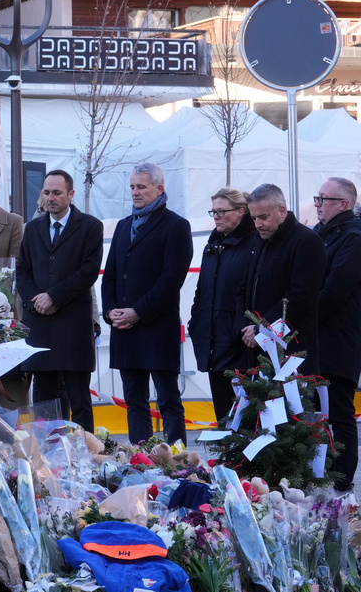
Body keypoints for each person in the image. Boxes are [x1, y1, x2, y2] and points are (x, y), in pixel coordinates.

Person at [102, 163, 193, 445]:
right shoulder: (123, 226)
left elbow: (171, 279)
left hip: (156, 327)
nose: (135, 192)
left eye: (141, 186)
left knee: (168, 399)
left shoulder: (176, 225)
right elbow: (111, 274)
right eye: (132, 186)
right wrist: (111, 312)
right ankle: (141, 460)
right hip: (125, 330)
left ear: (159, 189)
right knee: (135, 402)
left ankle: (178, 462)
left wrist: (138, 312)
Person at [17, 170, 103, 431]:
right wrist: (36, 301)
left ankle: (87, 456)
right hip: (40, 324)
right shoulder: (32, 229)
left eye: (57, 192)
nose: (50, 198)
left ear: (70, 194)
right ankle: (47, 457)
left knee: (78, 398)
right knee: (44, 398)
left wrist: (53, 297)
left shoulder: (90, 226)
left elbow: (88, 271)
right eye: (46, 192)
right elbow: (22, 271)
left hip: (73, 324)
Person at [237, 184, 325, 377]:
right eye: (253, 218)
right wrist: (246, 328)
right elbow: (244, 288)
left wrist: (261, 327)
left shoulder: (306, 241)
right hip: (257, 349)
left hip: (292, 353)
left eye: (263, 217)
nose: (257, 224)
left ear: (282, 211)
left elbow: (299, 296)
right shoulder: (259, 240)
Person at [188, 188, 258, 422]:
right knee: (223, 416)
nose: (216, 216)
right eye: (213, 211)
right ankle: (227, 460)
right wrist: (195, 323)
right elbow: (201, 291)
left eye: (221, 211)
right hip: (212, 341)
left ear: (240, 212)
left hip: (240, 344)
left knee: (244, 416)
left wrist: (239, 327)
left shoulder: (253, 244)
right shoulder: (213, 245)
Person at [313, 177, 361, 490]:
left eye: (323, 199)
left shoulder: (353, 237)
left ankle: (343, 488)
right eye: (316, 198)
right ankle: (315, 479)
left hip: (339, 341)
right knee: (315, 416)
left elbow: (334, 290)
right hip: (314, 341)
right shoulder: (320, 233)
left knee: (339, 414)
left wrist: (297, 318)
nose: (317, 203)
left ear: (342, 204)